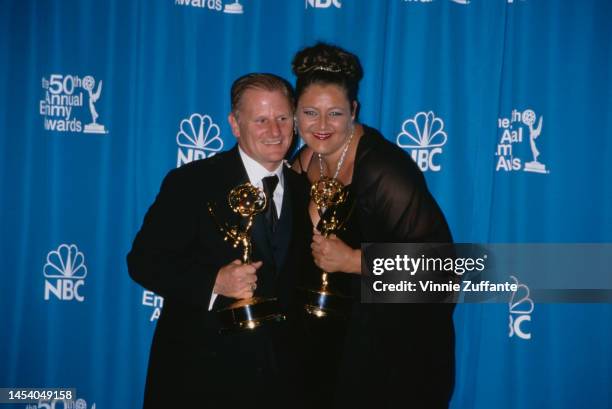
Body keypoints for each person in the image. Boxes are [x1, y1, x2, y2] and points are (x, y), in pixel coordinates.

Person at [127, 73, 311, 409]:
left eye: (283, 118)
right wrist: (214, 281)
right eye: (261, 120)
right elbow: (143, 261)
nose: (275, 131)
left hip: (282, 382)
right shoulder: (193, 182)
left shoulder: (305, 190)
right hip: (201, 377)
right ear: (235, 124)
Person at [291, 42, 456, 408]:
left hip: (391, 349)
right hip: (330, 345)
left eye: (334, 113)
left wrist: (353, 261)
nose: (321, 126)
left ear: (353, 110)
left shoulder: (384, 170)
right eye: (309, 112)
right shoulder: (300, 163)